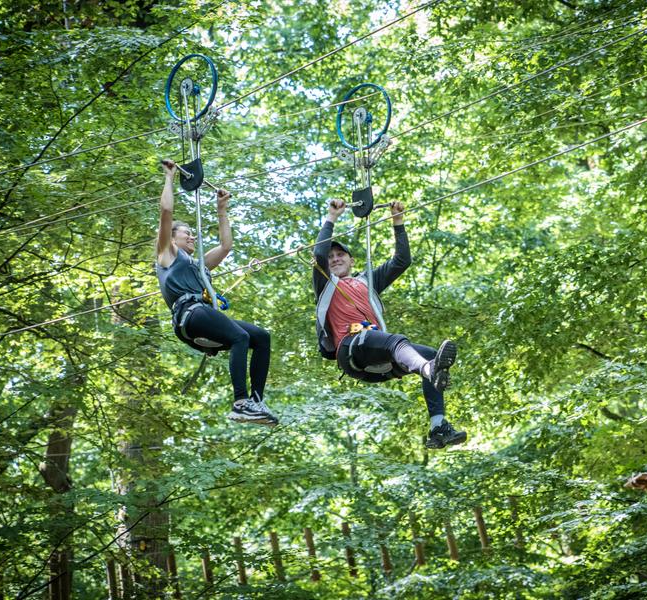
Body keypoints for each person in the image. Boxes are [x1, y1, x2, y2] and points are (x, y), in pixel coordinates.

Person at [312, 199, 467, 448]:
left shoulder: (367, 282)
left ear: (352, 261)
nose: (334, 259)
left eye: (340, 255)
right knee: (407, 349)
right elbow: (318, 254)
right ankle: (428, 369)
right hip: (352, 348)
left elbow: (401, 261)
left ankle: (438, 427)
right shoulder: (325, 284)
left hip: (377, 358)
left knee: (428, 353)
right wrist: (331, 217)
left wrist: (397, 221)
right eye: (331, 257)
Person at [155, 159, 277, 425]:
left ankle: (255, 401)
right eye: (186, 233)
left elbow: (226, 246)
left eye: (192, 234)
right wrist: (169, 178)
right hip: (189, 314)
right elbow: (165, 212)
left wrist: (222, 209)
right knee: (240, 337)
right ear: (172, 238)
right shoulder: (167, 256)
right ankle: (240, 401)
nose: (192, 237)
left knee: (261, 337)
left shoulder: (199, 265)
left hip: (204, 313)